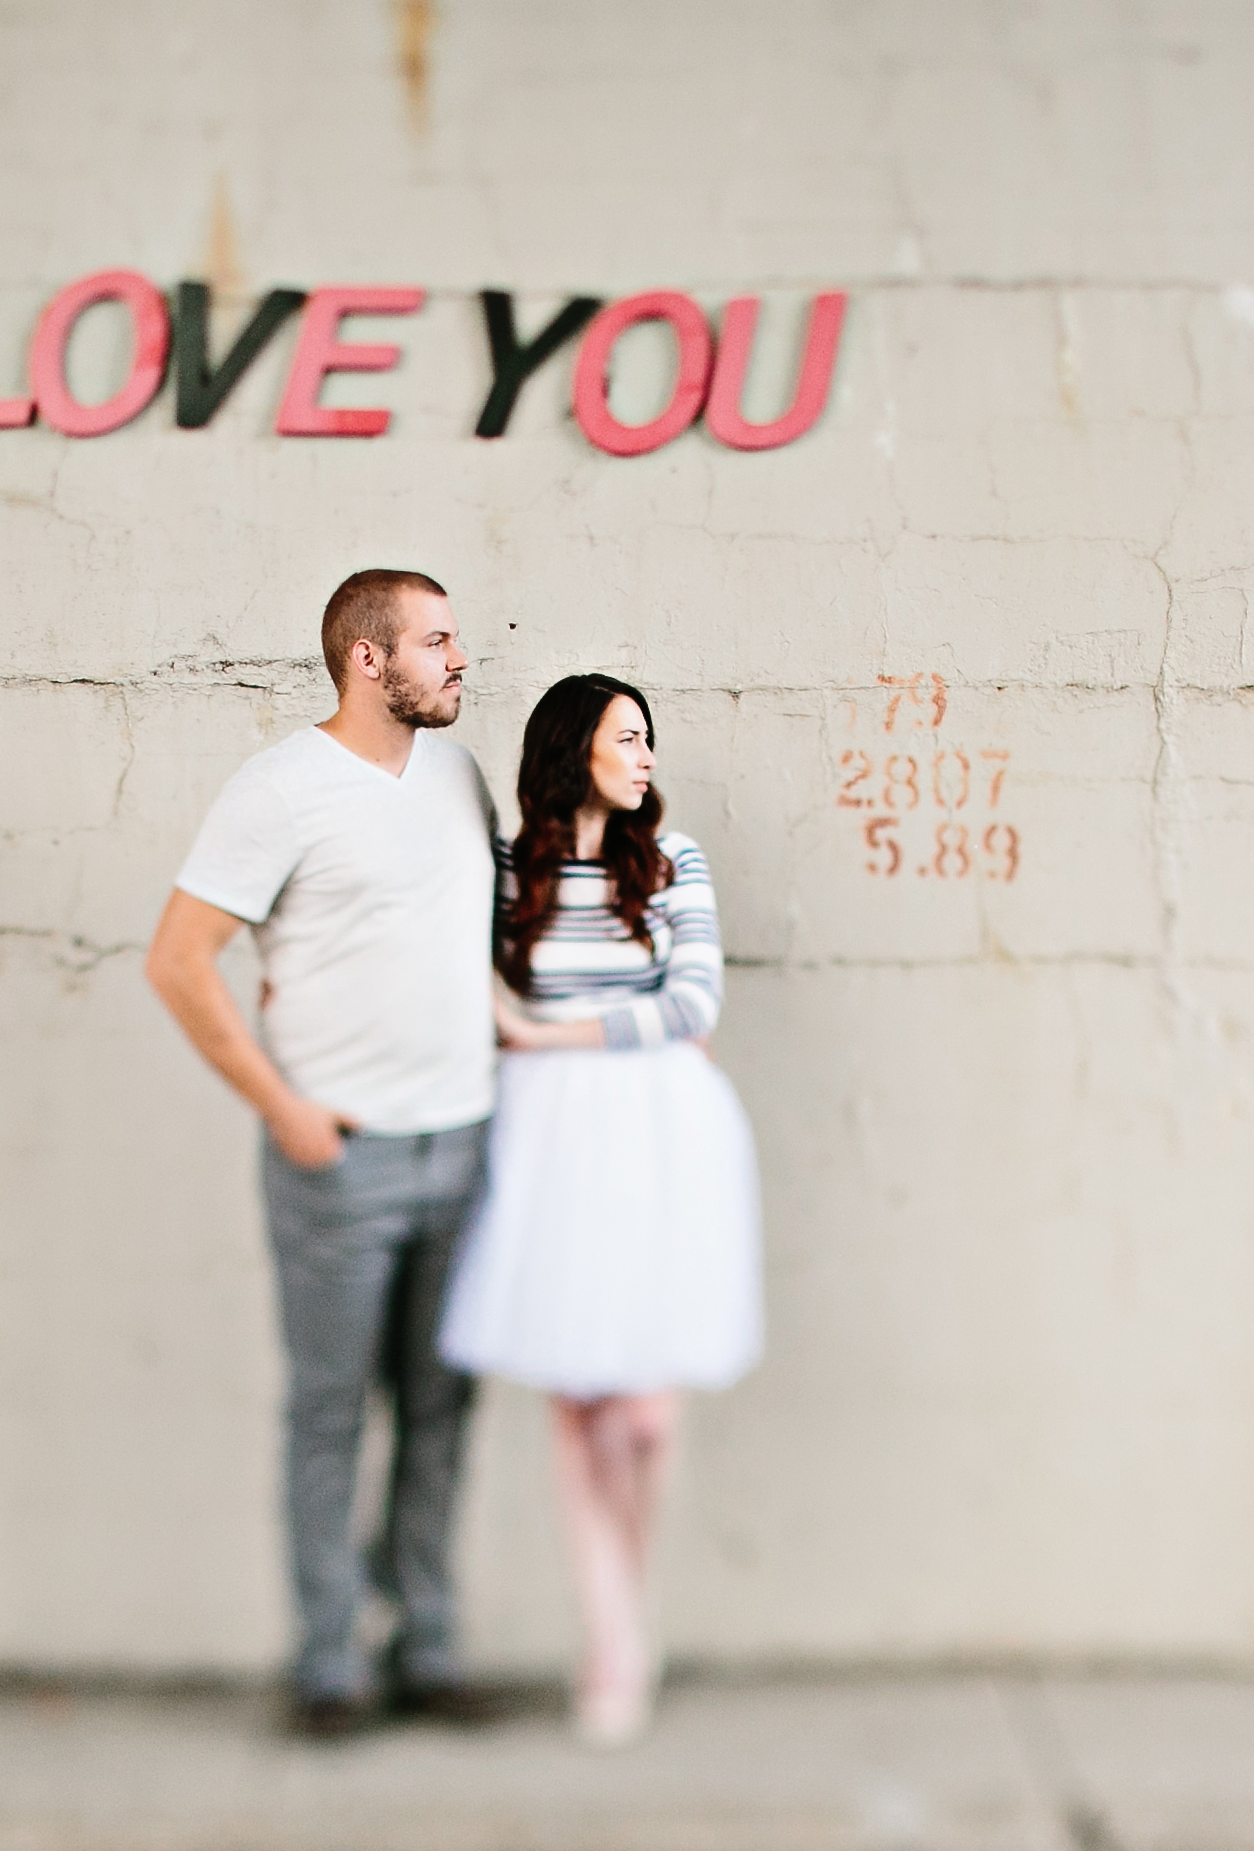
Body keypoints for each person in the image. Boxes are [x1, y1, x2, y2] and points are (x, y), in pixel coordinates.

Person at [143, 568, 512, 1739]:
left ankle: (429, 1645)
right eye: (438, 641)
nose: (461, 659)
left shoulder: (460, 777)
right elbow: (179, 960)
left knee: (443, 1410)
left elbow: (465, 945)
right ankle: (329, 1663)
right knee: (329, 1414)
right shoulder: (279, 791)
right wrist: (282, 1108)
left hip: (463, 1145)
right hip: (338, 1163)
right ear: (369, 659)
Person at [439, 673, 764, 1747]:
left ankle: (632, 1600)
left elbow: (694, 1004)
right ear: (575, 748)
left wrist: (547, 1033)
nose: (646, 757)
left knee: (646, 1411)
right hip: (544, 1145)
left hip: (659, 1138)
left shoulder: (674, 864)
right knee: (577, 1408)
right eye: (629, 738)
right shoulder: (505, 872)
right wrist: (540, 1034)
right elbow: (466, 987)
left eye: (649, 740)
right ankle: (614, 1636)